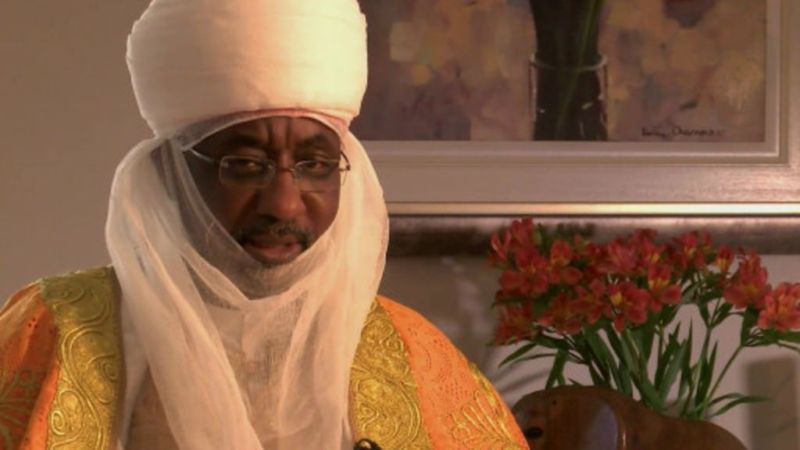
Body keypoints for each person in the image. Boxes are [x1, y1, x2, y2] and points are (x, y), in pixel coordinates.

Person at [0, 0, 528, 448]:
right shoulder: (54, 329)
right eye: (246, 165)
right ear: (169, 173)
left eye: (315, 165)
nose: (284, 205)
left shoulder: (412, 355)